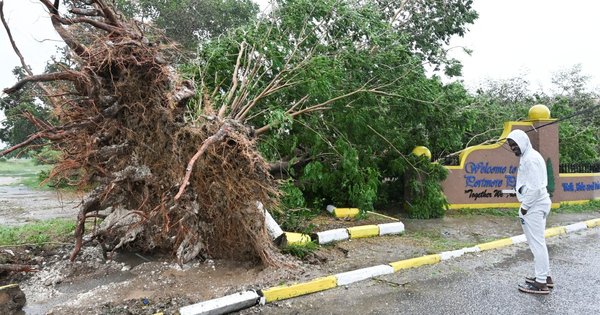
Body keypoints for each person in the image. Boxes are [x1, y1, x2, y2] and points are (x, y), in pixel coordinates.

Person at [506, 129, 553, 294]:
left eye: (515, 144)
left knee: (536, 244)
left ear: (524, 142)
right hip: (539, 204)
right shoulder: (530, 156)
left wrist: (524, 208)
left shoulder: (531, 160)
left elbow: (535, 188)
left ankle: (541, 283)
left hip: (534, 206)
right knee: (539, 242)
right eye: (511, 145)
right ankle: (544, 276)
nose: (513, 148)